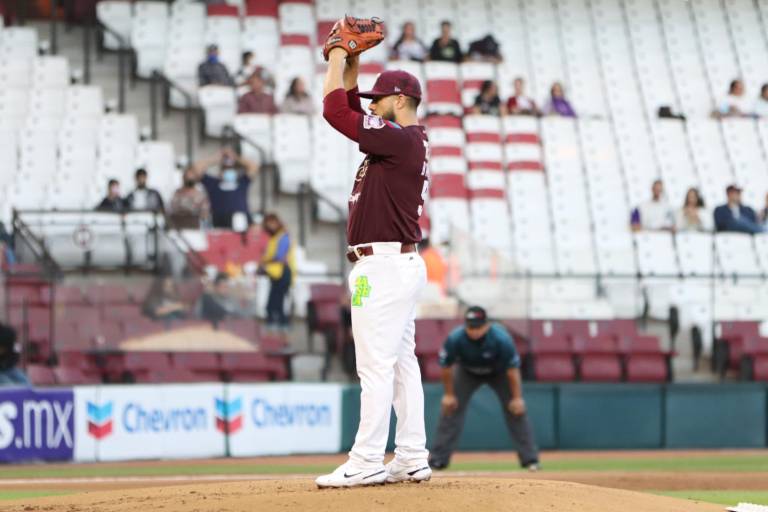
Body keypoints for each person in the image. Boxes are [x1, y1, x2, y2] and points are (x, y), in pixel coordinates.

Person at [315, 48, 431, 487]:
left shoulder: (399, 140)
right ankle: (412, 455)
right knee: (401, 364)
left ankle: (366, 460)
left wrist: (336, 56)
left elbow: (334, 112)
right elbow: (349, 108)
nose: (372, 106)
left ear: (400, 100)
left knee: (375, 365)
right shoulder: (405, 141)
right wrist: (353, 68)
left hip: (382, 267)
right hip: (396, 263)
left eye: (379, 99)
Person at [428, 307, 539, 471]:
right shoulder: (455, 338)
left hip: (499, 372)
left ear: (487, 325)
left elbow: (512, 370)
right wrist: (449, 395)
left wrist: (517, 398)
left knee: (516, 410)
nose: (474, 331)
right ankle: (438, 460)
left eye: (478, 327)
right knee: (450, 409)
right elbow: (446, 367)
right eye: (471, 327)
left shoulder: (502, 339)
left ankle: (530, 460)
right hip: (467, 372)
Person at [188, 147, 259, 229]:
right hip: (220, 222)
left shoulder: (242, 182)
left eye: (231, 169)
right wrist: (216, 158)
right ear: (220, 171)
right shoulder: (213, 184)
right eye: (225, 169)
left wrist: (235, 157)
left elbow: (254, 166)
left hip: (241, 222)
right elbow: (197, 168)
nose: (228, 171)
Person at [259, 213, 296, 331]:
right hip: (275, 272)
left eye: (272, 223)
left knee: (278, 300)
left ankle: (282, 324)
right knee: (274, 300)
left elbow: (280, 256)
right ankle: (276, 323)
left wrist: (265, 262)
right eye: (268, 224)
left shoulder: (283, 236)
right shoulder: (274, 237)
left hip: (283, 272)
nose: (270, 226)